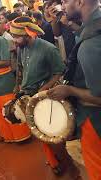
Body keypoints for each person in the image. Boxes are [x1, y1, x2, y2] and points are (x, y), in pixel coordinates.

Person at [10, 16, 80, 176]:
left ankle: (72, 170)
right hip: (30, 97)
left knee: (56, 136)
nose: (14, 40)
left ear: (28, 34)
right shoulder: (21, 48)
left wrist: (43, 90)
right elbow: (21, 68)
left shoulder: (48, 49)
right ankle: (55, 161)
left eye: (16, 36)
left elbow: (60, 72)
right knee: (41, 133)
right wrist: (18, 85)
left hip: (46, 98)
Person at [48, 0, 101, 179]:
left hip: (95, 120)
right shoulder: (93, 28)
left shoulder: (90, 45)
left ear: (79, 2)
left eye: (65, 1)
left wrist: (70, 90)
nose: (62, 5)